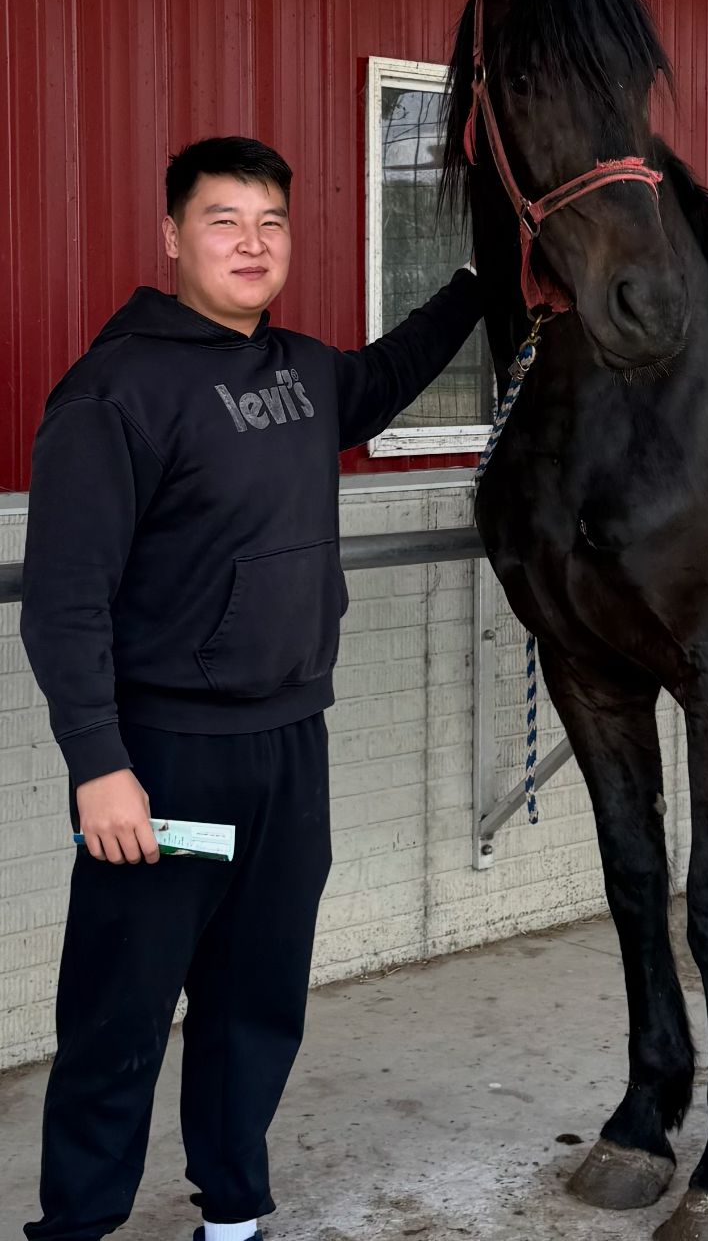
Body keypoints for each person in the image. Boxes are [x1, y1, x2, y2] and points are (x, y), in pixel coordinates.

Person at [20, 136, 483, 1241]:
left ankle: (231, 1215)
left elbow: (390, 371)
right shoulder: (114, 391)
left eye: (271, 221)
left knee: (256, 1001)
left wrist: (478, 283)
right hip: (165, 758)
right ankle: (76, 1226)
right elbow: (64, 601)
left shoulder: (303, 373)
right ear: (172, 237)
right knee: (120, 1016)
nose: (251, 242)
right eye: (223, 220)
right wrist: (99, 765)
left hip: (290, 746)